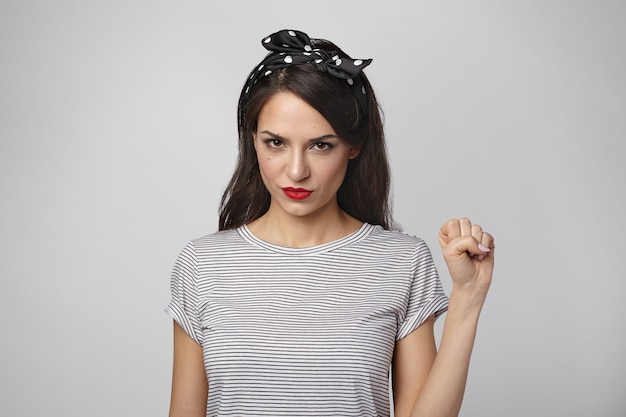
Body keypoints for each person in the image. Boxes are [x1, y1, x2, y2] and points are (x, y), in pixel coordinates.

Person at [165, 29, 495, 417]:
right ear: (252, 140)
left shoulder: (403, 262)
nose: (296, 171)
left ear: (353, 145)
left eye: (321, 145)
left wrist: (467, 301)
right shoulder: (202, 264)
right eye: (276, 143)